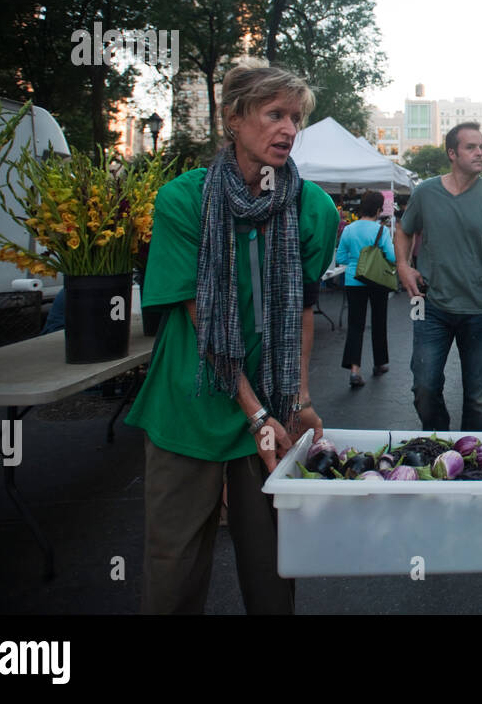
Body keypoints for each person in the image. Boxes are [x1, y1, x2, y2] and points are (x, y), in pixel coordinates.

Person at [126, 63, 338, 614]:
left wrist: (299, 401)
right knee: (174, 569)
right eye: (274, 114)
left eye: (296, 117)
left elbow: (304, 310)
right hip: (189, 405)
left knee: (272, 571)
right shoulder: (182, 199)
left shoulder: (313, 207)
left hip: (271, 405)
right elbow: (205, 319)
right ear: (233, 119)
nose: (289, 128)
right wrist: (254, 411)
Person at [395, 122, 482, 431]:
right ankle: (440, 443)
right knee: (424, 387)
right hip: (429, 306)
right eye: (471, 147)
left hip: (479, 308)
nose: (480, 153)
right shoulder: (426, 191)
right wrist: (402, 265)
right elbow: (404, 230)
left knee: (478, 396)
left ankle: (470, 458)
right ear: (452, 153)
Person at [336, 191, 395, 387]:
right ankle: (379, 363)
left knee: (355, 325)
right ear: (378, 210)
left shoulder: (349, 229)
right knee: (379, 322)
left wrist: (357, 261)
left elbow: (341, 258)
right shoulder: (381, 231)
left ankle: (354, 371)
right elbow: (392, 257)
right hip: (378, 281)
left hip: (354, 280)